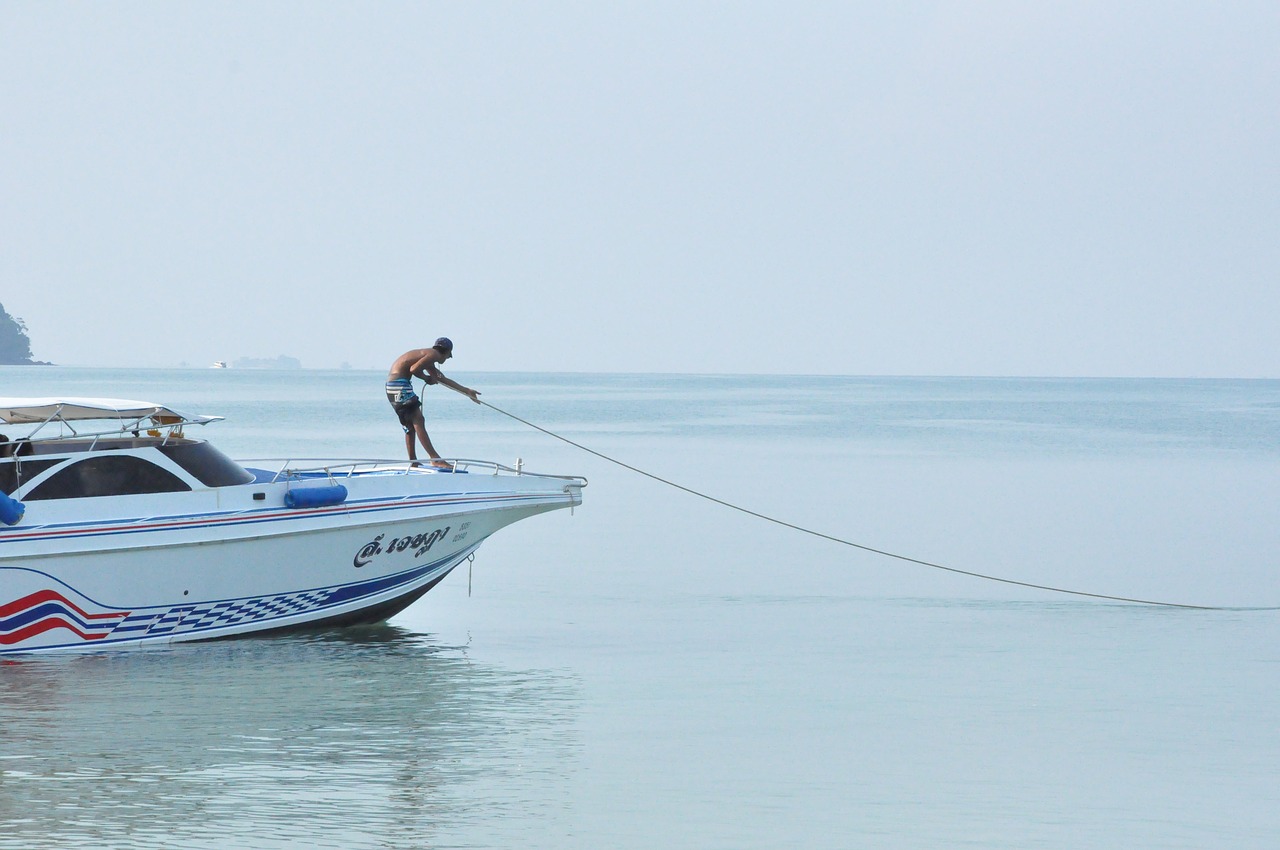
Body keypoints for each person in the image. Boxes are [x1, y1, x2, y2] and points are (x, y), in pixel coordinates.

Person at [385, 338, 481, 467]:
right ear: (446, 352)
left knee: (409, 424)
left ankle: (413, 461)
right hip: (399, 384)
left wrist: (466, 391)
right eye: (449, 355)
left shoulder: (428, 357)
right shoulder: (433, 354)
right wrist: (426, 378)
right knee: (418, 419)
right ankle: (435, 458)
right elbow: (414, 369)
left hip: (392, 385)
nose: (448, 358)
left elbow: (442, 379)